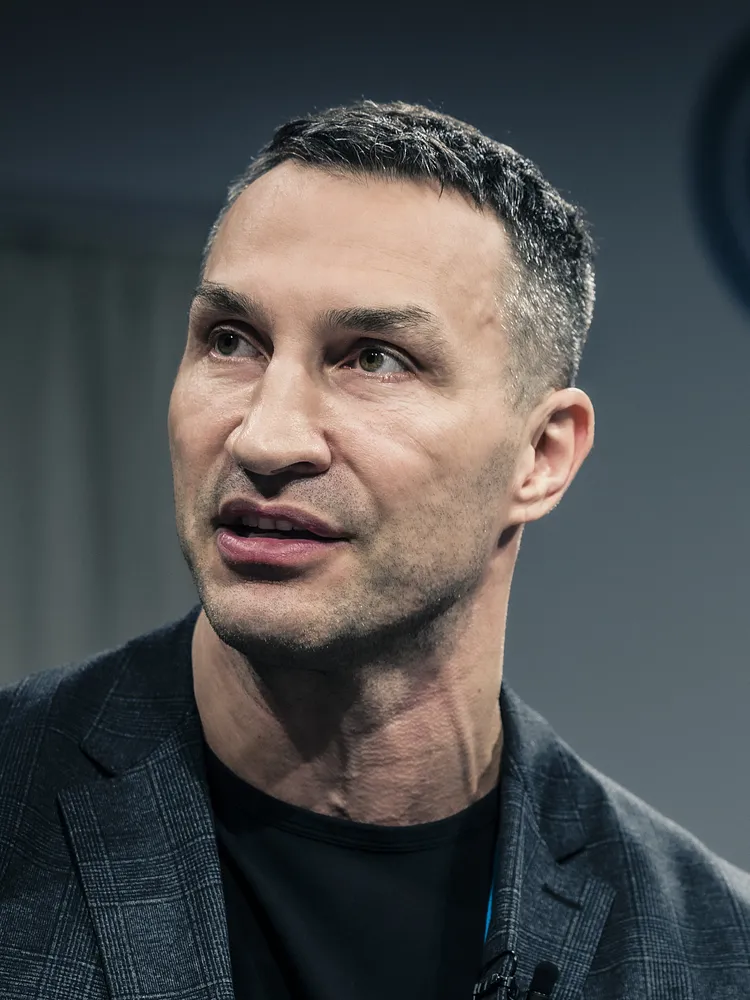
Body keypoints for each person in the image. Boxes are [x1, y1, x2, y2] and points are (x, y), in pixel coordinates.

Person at [0, 100, 748, 1000]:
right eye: (231, 342)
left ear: (541, 457)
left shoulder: (714, 951)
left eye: (374, 359)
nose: (265, 438)